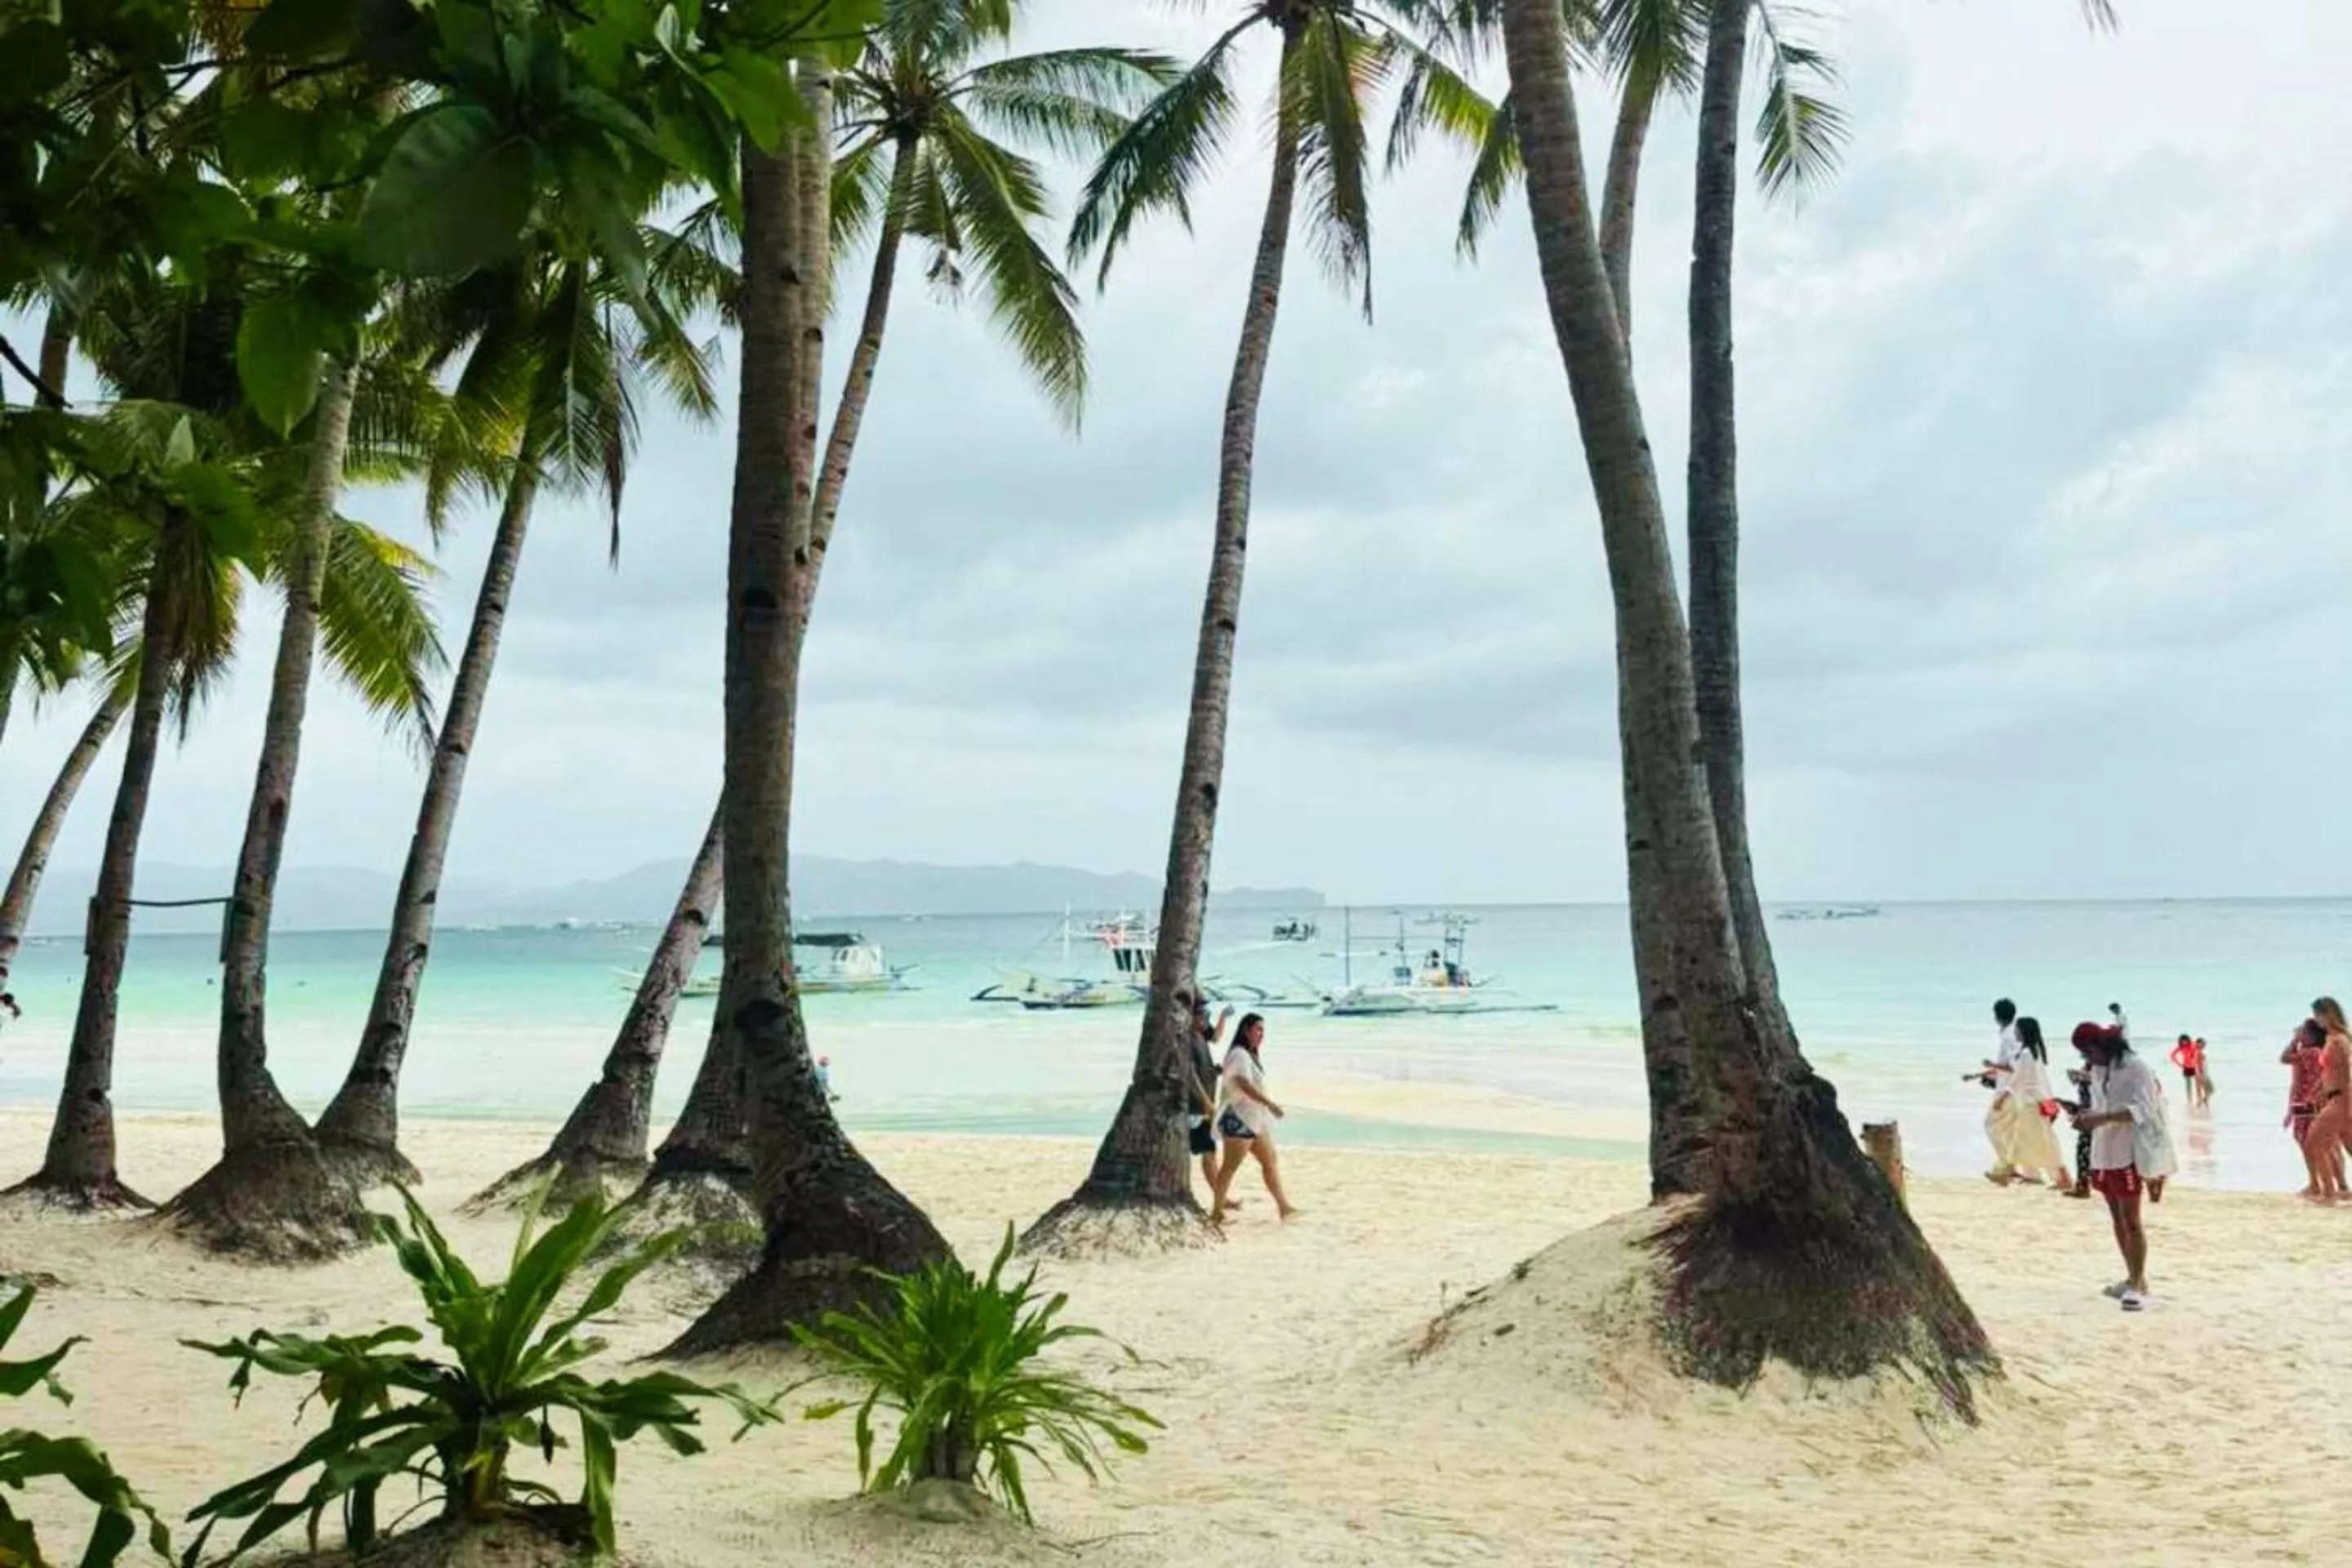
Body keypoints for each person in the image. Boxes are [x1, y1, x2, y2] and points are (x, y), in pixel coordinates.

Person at [2068, 1020, 2175, 1311]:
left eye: (2089, 1053)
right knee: (2117, 1219)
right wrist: (2085, 1116)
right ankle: (2132, 1277)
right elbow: (2103, 1108)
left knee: (2132, 1221)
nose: (2088, 1061)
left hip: (2127, 1152)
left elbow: (2144, 1110)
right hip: (2103, 1152)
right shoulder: (2100, 1070)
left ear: (2103, 1046)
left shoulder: (2136, 1067)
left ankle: (2139, 1283)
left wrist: (2100, 1118)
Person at [1209, 1013, 1298, 1224]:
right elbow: (1243, 1083)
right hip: (1239, 1119)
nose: (1261, 1034)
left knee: (1270, 1160)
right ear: (1246, 1030)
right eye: (1258, 1029)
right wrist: (1270, 1104)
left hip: (1254, 1120)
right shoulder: (1239, 1054)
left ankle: (1284, 1207)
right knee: (1230, 1167)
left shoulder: (1249, 1054)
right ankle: (1216, 1212)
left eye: (1263, 1030)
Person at [1991, 1017, 2074, 1192]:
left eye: (2018, 1030)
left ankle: (2007, 1172)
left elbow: (2017, 1079)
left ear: (2024, 1031)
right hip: (2030, 1103)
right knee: (2033, 1140)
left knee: (2036, 1140)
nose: (2015, 1032)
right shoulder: (2031, 1051)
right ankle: (2018, 1172)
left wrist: (2002, 1097)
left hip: (2031, 1104)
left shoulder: (2028, 1054)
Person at [2303, 998, 2352, 1202]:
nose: (2316, 1020)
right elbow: (2329, 1074)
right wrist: (2317, 1094)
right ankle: (2330, 1191)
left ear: (2329, 1014)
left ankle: (2329, 1193)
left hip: (2342, 1099)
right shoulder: (2332, 1038)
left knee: (2313, 1143)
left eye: (2318, 1015)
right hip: (2334, 1097)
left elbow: (2347, 1074)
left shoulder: (2340, 1040)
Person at [1968, 999, 2022, 1181]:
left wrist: (1992, 1066)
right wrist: (1977, 1075)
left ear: (1997, 1016)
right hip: (2010, 1088)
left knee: (1991, 1126)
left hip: (2007, 1090)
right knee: (2006, 1128)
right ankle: (2009, 1165)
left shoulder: (2008, 1036)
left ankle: (2007, 1165)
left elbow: (2015, 1066)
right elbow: (2007, 1065)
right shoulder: (2010, 1033)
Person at [1186, 997, 1233, 1198]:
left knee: (1211, 1151)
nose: (1205, 1020)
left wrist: (1216, 1071)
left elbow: (1215, 1037)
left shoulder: (1200, 1034)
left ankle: (1220, 1195)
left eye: (1208, 1015)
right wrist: (1206, 1103)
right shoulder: (1186, 1040)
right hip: (1197, 1106)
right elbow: (1190, 1075)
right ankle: (1219, 1196)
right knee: (1207, 1151)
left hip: (1207, 1103)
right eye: (1202, 1016)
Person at [2280, 1019, 2331, 1198]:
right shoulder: (2310, 1053)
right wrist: (2290, 1110)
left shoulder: (2310, 1053)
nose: (2299, 1035)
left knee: (2308, 1143)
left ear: (2310, 1036)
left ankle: (2317, 1184)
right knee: (2309, 1142)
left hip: (2307, 1101)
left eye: (2303, 1032)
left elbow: (2283, 1058)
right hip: (2305, 1101)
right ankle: (2319, 1183)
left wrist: (2294, 1040)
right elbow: (2295, 1083)